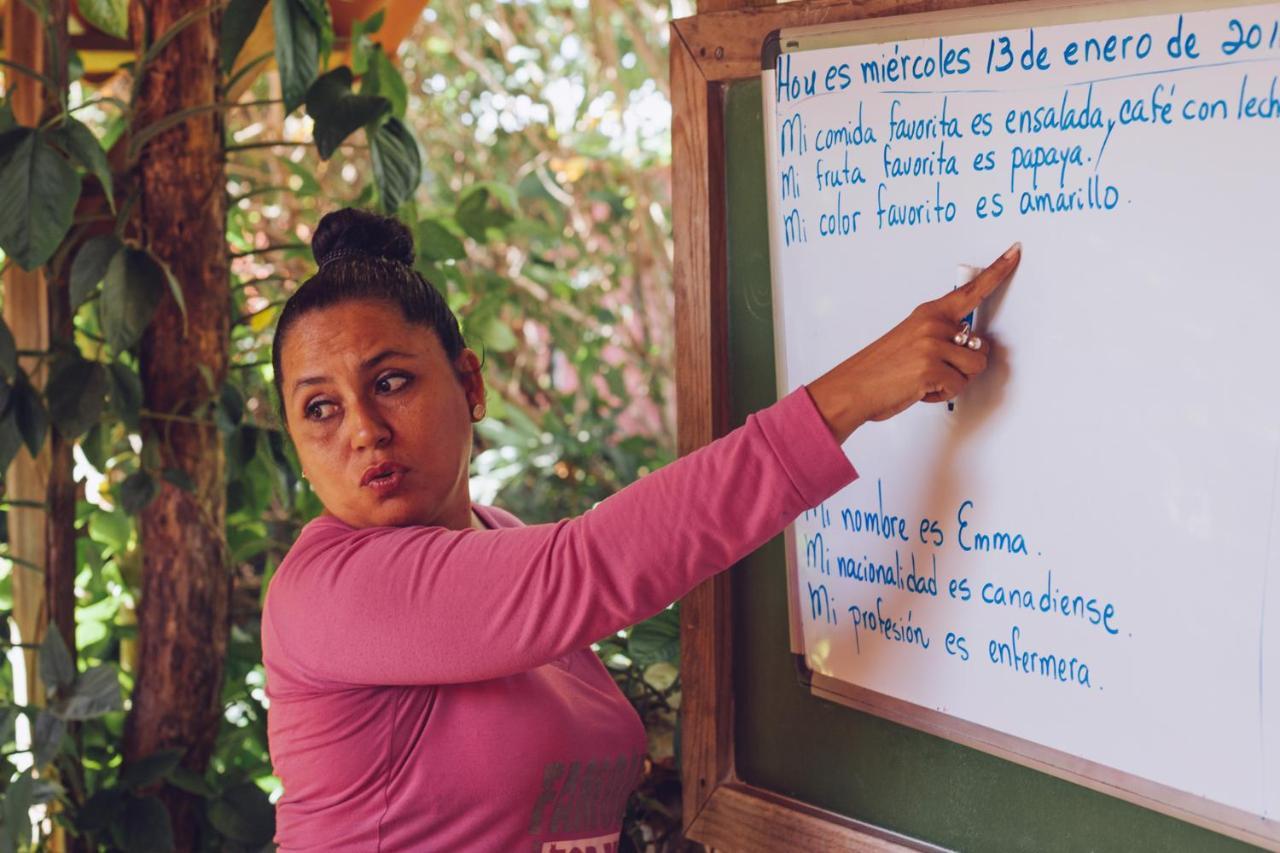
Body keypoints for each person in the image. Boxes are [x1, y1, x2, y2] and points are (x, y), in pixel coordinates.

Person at [262, 207, 1020, 850]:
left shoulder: (497, 536)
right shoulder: (329, 591)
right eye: (320, 408)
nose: (362, 429)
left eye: (390, 382)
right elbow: (593, 564)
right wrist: (854, 392)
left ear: (470, 382)